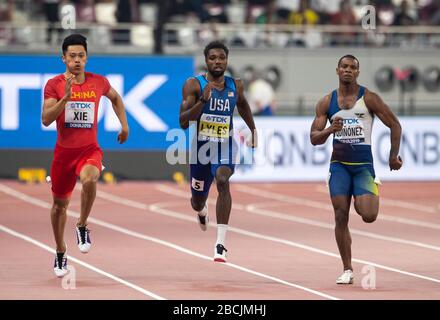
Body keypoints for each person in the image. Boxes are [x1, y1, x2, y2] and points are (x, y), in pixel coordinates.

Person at [310, 55, 402, 284]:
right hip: (339, 166)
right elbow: (314, 138)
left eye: (353, 67)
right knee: (340, 216)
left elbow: (394, 124)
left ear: (358, 72)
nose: (348, 70)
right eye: (344, 67)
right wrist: (331, 130)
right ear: (337, 70)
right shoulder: (326, 102)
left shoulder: (369, 98)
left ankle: (367, 192)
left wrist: (393, 156)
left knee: (368, 215)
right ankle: (347, 269)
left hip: (363, 167)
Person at [42, 34, 129, 277]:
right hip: (63, 155)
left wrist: (124, 125)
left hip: (89, 150)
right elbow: (46, 119)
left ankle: (82, 224)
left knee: (90, 178)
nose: (77, 60)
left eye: (81, 56)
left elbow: (116, 98)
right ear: (63, 58)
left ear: (87, 58)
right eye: (72, 56)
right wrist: (65, 99)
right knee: (59, 206)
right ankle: (60, 251)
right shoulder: (54, 84)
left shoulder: (98, 82)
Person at [179, 41, 257, 262]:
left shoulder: (236, 85)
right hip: (201, 150)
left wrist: (253, 129)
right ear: (206, 61)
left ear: (227, 60)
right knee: (196, 201)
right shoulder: (193, 85)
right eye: (212, 58)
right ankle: (202, 211)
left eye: (221, 57)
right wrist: (203, 99)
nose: (217, 61)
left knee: (223, 180)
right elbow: (183, 122)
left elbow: (242, 105)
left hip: (225, 145)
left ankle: (221, 243)